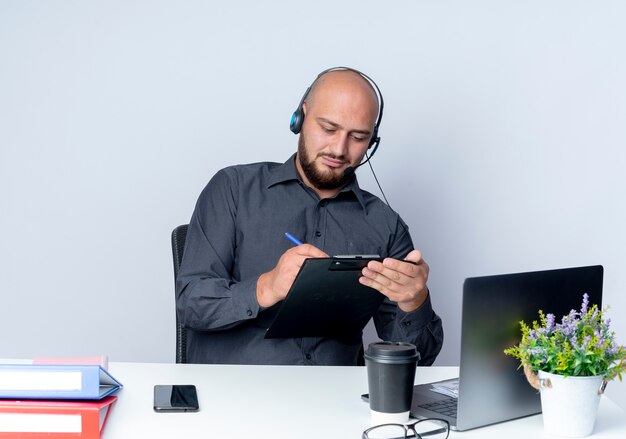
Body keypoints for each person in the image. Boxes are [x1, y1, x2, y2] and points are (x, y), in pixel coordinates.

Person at [176, 67, 443, 365]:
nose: (339, 149)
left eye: (357, 137)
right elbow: (191, 304)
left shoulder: (385, 225)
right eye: (328, 129)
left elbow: (419, 358)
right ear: (300, 118)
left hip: (337, 404)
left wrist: (413, 301)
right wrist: (267, 286)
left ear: (372, 142)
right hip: (236, 399)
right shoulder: (233, 189)